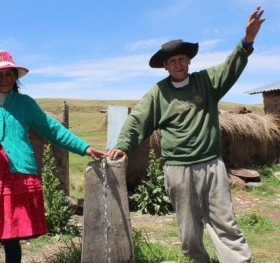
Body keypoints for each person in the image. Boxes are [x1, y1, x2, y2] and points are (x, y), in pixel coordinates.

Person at [107, 6, 266, 263]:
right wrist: (123, 146)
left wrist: (247, 41)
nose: (177, 64)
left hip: (211, 166)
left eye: (181, 59)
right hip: (178, 170)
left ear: (189, 61)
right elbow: (138, 120)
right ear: (165, 67)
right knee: (189, 231)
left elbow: (231, 67)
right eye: (172, 61)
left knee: (225, 222)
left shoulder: (207, 82)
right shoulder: (158, 94)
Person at [0, 37, 105, 263]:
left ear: (15, 77)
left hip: (15, 175)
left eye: (9, 74)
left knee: (12, 233)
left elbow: (53, 130)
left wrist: (85, 147)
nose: (4, 79)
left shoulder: (26, 104)